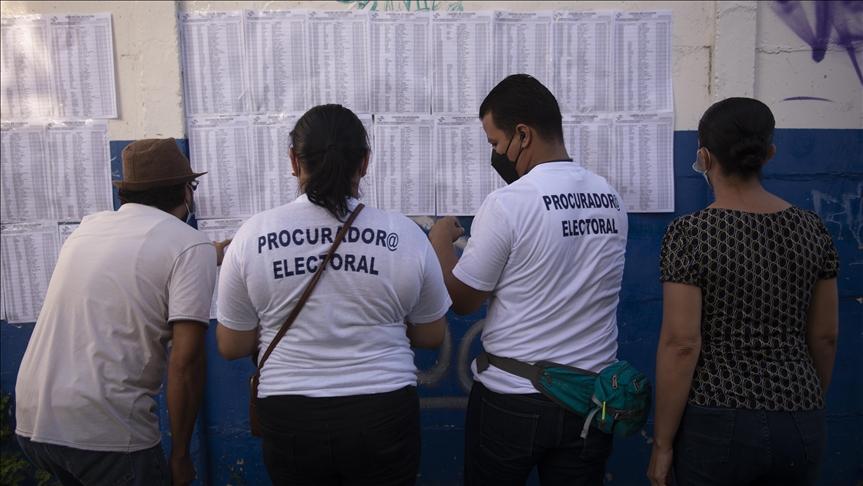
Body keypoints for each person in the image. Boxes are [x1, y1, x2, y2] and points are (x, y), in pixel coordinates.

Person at [215, 104, 451, 486]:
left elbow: (230, 344)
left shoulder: (252, 237)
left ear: (294, 160)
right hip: (384, 412)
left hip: (291, 414)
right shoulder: (405, 235)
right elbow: (431, 335)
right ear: (365, 162)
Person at [429, 74, 628, 485]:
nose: (495, 153)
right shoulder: (609, 197)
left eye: (494, 142)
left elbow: (463, 301)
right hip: (591, 400)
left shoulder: (509, 203)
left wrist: (440, 244)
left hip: (513, 402)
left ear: (523, 134)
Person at [648, 97, 839, 486]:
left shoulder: (691, 234)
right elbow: (825, 336)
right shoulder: (812, 229)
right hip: (801, 414)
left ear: (704, 157)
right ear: (769, 153)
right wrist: (802, 400)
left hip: (717, 421)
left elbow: (682, 344)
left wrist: (663, 444)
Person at [15, 138, 225, 485]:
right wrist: (181, 455)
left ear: (126, 193)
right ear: (186, 191)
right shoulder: (189, 246)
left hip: (34, 422)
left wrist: (207, 254)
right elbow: (185, 363)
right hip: (107, 433)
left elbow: (140, 263)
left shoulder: (88, 229)